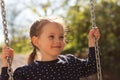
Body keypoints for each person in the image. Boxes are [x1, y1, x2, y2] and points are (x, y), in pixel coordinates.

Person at [1, 17, 100, 80]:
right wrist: (6, 66)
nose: (58, 41)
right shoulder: (26, 73)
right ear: (36, 41)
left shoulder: (71, 62)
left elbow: (93, 66)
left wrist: (92, 43)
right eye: (51, 37)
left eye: (61, 37)